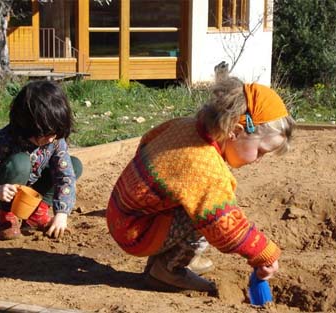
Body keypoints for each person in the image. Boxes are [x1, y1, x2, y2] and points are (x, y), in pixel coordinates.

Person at [106, 75, 295, 293]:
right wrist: (264, 253)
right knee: (208, 211)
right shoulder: (203, 164)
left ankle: (168, 255)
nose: (259, 159)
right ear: (235, 130)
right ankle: (167, 271)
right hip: (134, 231)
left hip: (121, 212)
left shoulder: (185, 126)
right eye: (260, 151)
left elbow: (147, 141)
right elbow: (225, 226)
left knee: (194, 197)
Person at [0, 80, 83, 240]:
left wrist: (62, 213)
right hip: (1, 195)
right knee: (20, 162)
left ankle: (36, 213)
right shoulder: (5, 138)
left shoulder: (55, 140)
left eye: (55, 134)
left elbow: (65, 177)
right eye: (46, 134)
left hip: (30, 195)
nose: (51, 139)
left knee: (73, 165)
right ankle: (6, 217)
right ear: (26, 125)